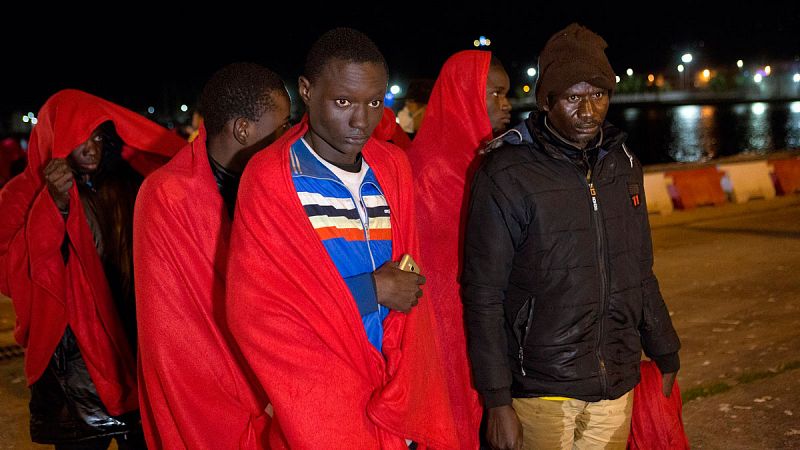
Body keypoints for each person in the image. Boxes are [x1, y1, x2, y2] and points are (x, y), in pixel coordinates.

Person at [225, 27, 459, 449]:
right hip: (321, 401)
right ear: (306, 91)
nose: (361, 120)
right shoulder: (272, 178)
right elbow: (256, 311)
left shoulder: (392, 169)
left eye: (374, 102)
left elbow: (409, 281)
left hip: (392, 391)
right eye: (343, 101)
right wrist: (373, 290)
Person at [461, 23, 681, 450]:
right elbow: (483, 293)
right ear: (547, 101)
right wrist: (496, 400)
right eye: (572, 97)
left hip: (616, 380)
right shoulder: (506, 173)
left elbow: (640, 268)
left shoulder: (623, 164)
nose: (588, 111)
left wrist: (664, 346)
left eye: (598, 95)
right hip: (541, 387)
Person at [0, 89, 185, 449]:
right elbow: (11, 278)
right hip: (73, 376)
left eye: (98, 136)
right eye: (79, 137)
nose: (91, 148)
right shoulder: (20, 196)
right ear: (54, 138)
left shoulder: (128, 185)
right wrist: (51, 207)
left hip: (132, 357)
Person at [134, 63, 291, 449]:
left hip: (275, 384)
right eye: (282, 127)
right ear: (243, 129)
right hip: (211, 401)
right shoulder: (167, 195)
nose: (290, 139)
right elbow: (173, 334)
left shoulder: (272, 185)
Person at [406, 49, 511, 449]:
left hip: (490, 330)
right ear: (464, 95)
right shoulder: (427, 170)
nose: (506, 104)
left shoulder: (494, 162)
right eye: (495, 93)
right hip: (445, 338)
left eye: (506, 94)